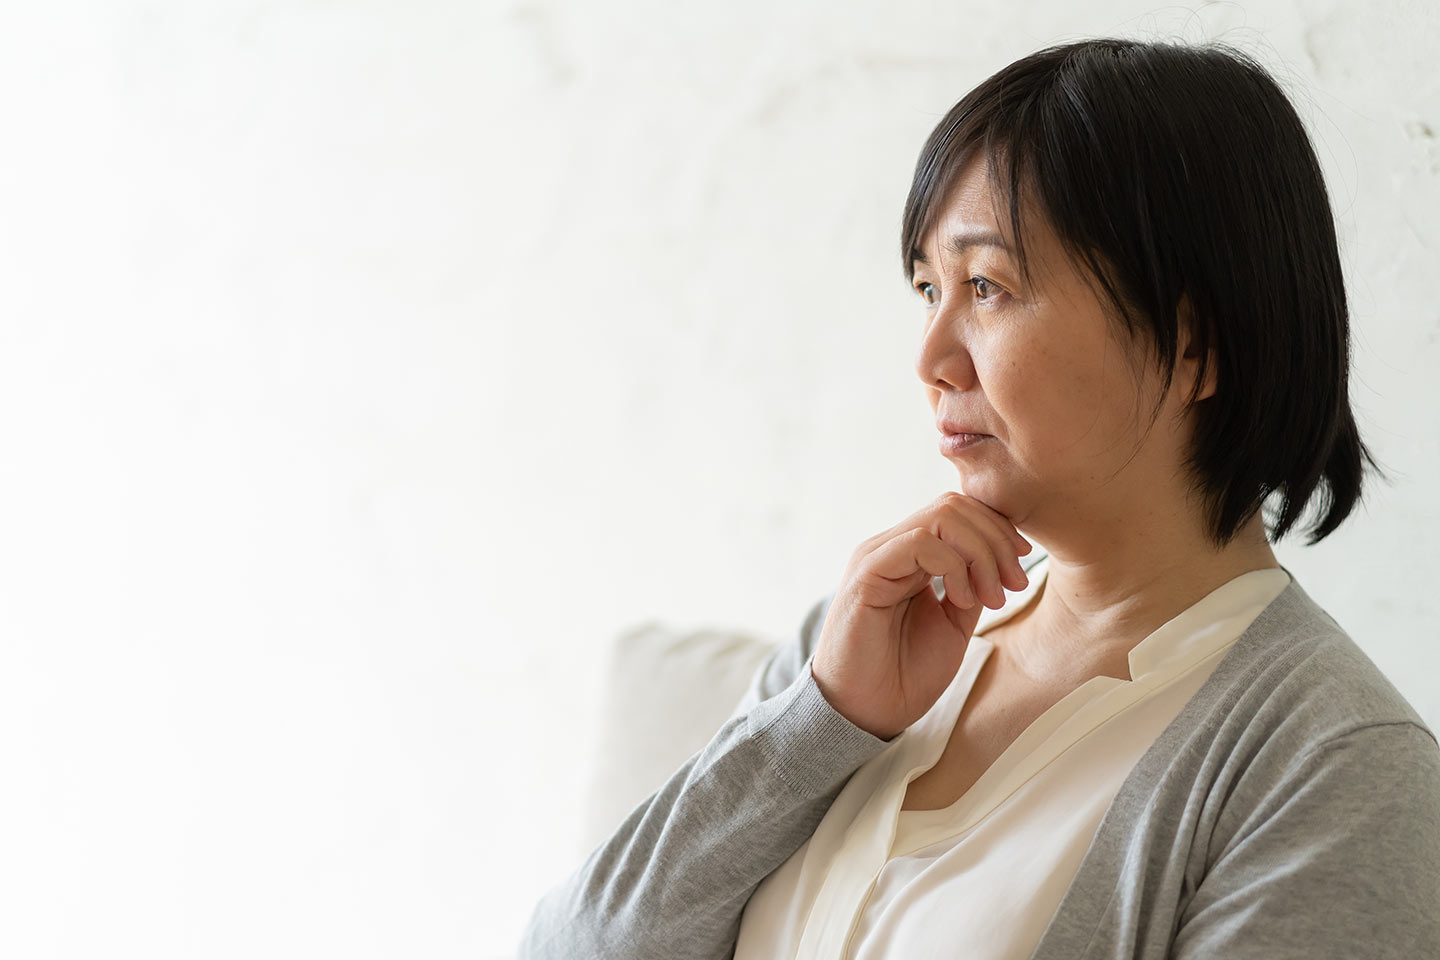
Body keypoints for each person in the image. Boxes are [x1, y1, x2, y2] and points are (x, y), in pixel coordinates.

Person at [518, 37, 1440, 960]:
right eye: (929, 287)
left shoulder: (1336, 765)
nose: (929, 358)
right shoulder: (858, 645)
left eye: (988, 286)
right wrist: (823, 718)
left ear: (1197, 344)